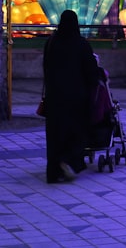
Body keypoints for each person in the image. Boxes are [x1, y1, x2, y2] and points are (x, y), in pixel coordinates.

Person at [42, 10, 100, 183]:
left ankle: (53, 170)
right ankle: (69, 161)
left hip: (54, 96)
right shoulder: (81, 44)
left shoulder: (51, 42)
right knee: (76, 130)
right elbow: (90, 70)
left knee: (55, 133)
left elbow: (46, 66)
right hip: (76, 96)